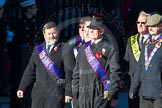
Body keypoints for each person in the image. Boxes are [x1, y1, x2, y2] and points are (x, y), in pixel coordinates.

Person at [17, 21, 76, 108]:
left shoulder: (65, 48)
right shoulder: (37, 49)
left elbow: (69, 72)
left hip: (56, 94)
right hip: (38, 94)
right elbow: (30, 70)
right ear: (44, 34)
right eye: (49, 33)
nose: (52, 36)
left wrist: (68, 93)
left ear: (57, 33)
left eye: (54, 33)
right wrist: (22, 88)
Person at [72, 16, 121, 108]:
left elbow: (115, 71)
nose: (90, 31)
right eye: (90, 28)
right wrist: (75, 92)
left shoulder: (109, 48)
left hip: (100, 95)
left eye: (94, 29)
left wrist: (112, 92)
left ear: (101, 31)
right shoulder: (82, 49)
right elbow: (76, 72)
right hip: (83, 95)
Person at [10, 0, 42, 107]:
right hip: (20, 58)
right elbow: (14, 41)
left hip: (32, 57)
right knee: (19, 81)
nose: (36, 10)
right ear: (28, 9)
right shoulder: (19, 22)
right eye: (34, 7)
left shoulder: (36, 22)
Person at [129, 13, 162, 108]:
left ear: (161, 26)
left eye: (154, 25)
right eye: (149, 26)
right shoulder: (146, 44)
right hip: (145, 91)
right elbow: (139, 68)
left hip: (159, 92)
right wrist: (133, 89)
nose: (150, 28)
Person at [122, 11, 150, 108]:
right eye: (138, 22)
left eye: (143, 23)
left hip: (149, 84)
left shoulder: (155, 41)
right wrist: (122, 79)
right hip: (133, 83)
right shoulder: (131, 40)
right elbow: (126, 61)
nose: (140, 25)